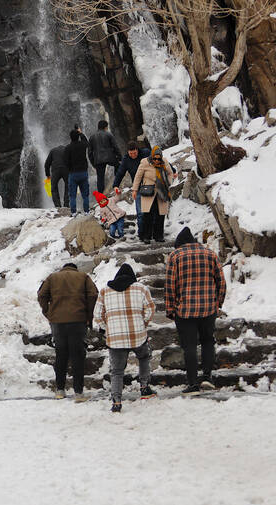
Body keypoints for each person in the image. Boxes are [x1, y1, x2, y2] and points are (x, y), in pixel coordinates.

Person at [165, 227, 227, 395]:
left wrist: (170, 309)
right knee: (208, 342)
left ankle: (192, 384)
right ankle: (207, 377)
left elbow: (170, 286)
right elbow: (221, 281)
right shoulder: (210, 254)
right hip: (208, 308)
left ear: (180, 244)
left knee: (189, 346)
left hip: (185, 311)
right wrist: (217, 303)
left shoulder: (175, 256)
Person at [93, 264, 157, 412]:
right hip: (137, 334)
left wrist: (107, 327)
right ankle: (145, 387)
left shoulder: (104, 291)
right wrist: (143, 323)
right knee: (144, 357)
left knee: (117, 371)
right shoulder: (141, 288)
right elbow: (150, 309)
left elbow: (97, 315)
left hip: (115, 338)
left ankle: (116, 401)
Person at [37, 263, 98, 402]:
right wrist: (88, 315)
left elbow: (41, 295)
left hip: (57, 322)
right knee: (78, 355)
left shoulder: (52, 278)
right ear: (75, 269)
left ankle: (60, 390)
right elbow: (93, 294)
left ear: (63, 268)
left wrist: (48, 312)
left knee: (61, 354)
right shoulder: (83, 277)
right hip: (78, 320)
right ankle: (78, 392)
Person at [132, 146, 175, 243]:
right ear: (151, 157)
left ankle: (158, 236)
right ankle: (147, 236)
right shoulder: (145, 162)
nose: (156, 160)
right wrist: (134, 190)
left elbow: (170, 173)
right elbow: (138, 176)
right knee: (148, 214)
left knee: (160, 215)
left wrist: (167, 183)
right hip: (149, 191)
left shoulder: (164, 161)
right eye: (154, 158)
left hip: (161, 191)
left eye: (158, 159)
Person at [113, 142, 151, 239]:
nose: (133, 155)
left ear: (137, 150)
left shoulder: (145, 153)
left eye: (134, 153)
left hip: (150, 185)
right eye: (131, 154)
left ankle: (151, 232)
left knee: (150, 211)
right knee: (140, 212)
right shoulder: (126, 159)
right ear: (128, 152)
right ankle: (142, 234)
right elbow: (120, 173)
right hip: (137, 187)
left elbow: (159, 161)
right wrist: (115, 185)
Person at [88, 120, 121, 194]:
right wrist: (120, 158)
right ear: (106, 127)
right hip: (110, 158)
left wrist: (93, 163)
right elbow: (116, 147)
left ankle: (101, 195)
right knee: (118, 166)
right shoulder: (108, 134)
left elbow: (89, 152)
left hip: (98, 160)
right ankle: (117, 184)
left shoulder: (92, 137)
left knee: (100, 179)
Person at [65, 126, 91, 216]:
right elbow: (87, 142)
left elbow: (66, 161)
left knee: (72, 195)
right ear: (78, 136)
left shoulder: (68, 148)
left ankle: (73, 212)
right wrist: (81, 133)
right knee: (85, 194)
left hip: (73, 174)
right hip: (83, 172)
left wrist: (69, 169)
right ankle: (87, 211)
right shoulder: (82, 145)